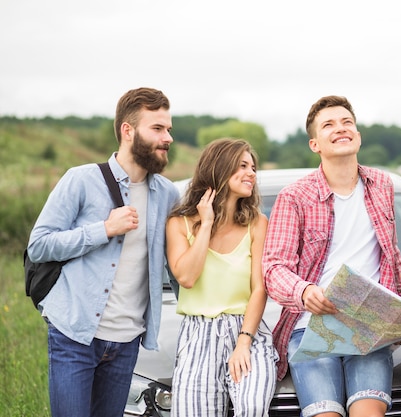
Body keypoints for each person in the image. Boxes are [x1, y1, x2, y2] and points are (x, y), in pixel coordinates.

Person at [27, 87, 180, 417]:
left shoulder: (167, 194)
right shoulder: (80, 180)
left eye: (168, 128)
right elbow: (39, 245)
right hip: (75, 334)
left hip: (127, 342)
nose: (167, 137)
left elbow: (177, 265)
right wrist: (104, 230)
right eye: (157, 128)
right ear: (128, 131)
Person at [262, 95, 401, 417]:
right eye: (329, 125)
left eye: (347, 122)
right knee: (325, 413)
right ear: (315, 144)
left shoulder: (382, 185)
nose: (340, 129)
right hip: (313, 328)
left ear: (357, 135)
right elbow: (274, 267)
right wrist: (304, 291)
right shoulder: (294, 197)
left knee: (369, 412)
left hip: (370, 326)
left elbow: (391, 257)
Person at [166, 138, 277, 416]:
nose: (251, 173)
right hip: (198, 334)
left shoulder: (257, 223)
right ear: (219, 168)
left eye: (253, 167)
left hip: (247, 331)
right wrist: (205, 225)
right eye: (242, 165)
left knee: (252, 408)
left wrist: (244, 341)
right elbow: (187, 277)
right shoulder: (179, 224)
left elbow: (259, 288)